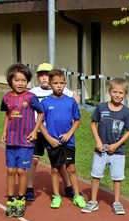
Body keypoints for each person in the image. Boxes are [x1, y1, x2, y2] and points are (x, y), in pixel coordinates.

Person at [26, 62, 80, 201]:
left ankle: (68, 187)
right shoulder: (33, 92)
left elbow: (73, 99)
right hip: (39, 131)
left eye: (46, 74)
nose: (44, 78)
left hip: (57, 133)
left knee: (61, 163)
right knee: (34, 159)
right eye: (41, 75)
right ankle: (30, 188)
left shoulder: (63, 91)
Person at [81, 77, 129, 215]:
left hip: (118, 151)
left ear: (125, 94)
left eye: (121, 93)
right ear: (109, 92)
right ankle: (93, 201)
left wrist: (116, 145)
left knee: (117, 177)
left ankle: (117, 202)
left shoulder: (126, 112)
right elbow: (93, 123)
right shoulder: (101, 107)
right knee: (96, 175)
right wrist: (98, 141)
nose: (117, 95)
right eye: (115, 92)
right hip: (101, 150)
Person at [0, 63, 43, 218]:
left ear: (28, 81)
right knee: (11, 170)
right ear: (11, 80)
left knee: (21, 171)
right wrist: (4, 130)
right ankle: (11, 200)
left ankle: (21, 200)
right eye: (17, 80)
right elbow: (7, 115)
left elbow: (41, 113)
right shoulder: (6, 97)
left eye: (23, 80)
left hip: (25, 140)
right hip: (11, 139)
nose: (20, 83)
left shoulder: (30, 97)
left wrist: (35, 130)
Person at [40, 69, 86, 209]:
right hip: (53, 142)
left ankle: (77, 196)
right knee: (55, 169)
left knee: (71, 168)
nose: (58, 86)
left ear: (65, 84)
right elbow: (40, 123)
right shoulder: (45, 103)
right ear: (50, 84)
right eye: (55, 83)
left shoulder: (71, 102)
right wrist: (48, 137)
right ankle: (56, 196)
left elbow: (77, 120)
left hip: (68, 141)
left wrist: (69, 133)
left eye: (61, 83)